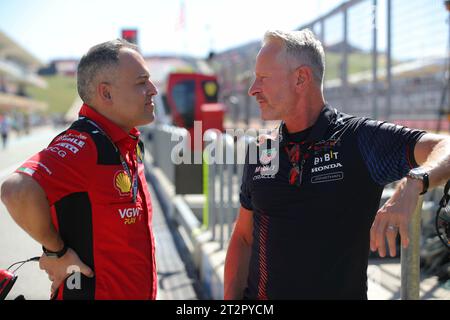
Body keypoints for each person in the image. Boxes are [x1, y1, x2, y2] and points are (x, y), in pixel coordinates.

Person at [224, 29, 450, 300]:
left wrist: (413, 183)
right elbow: (244, 238)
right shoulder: (262, 150)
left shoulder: (358, 138)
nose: (253, 89)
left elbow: (444, 147)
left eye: (263, 78)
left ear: (301, 78)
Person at [0, 39, 158, 300]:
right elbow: (16, 190)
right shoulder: (84, 144)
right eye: (142, 83)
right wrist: (56, 253)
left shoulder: (128, 143)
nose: (153, 90)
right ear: (106, 93)